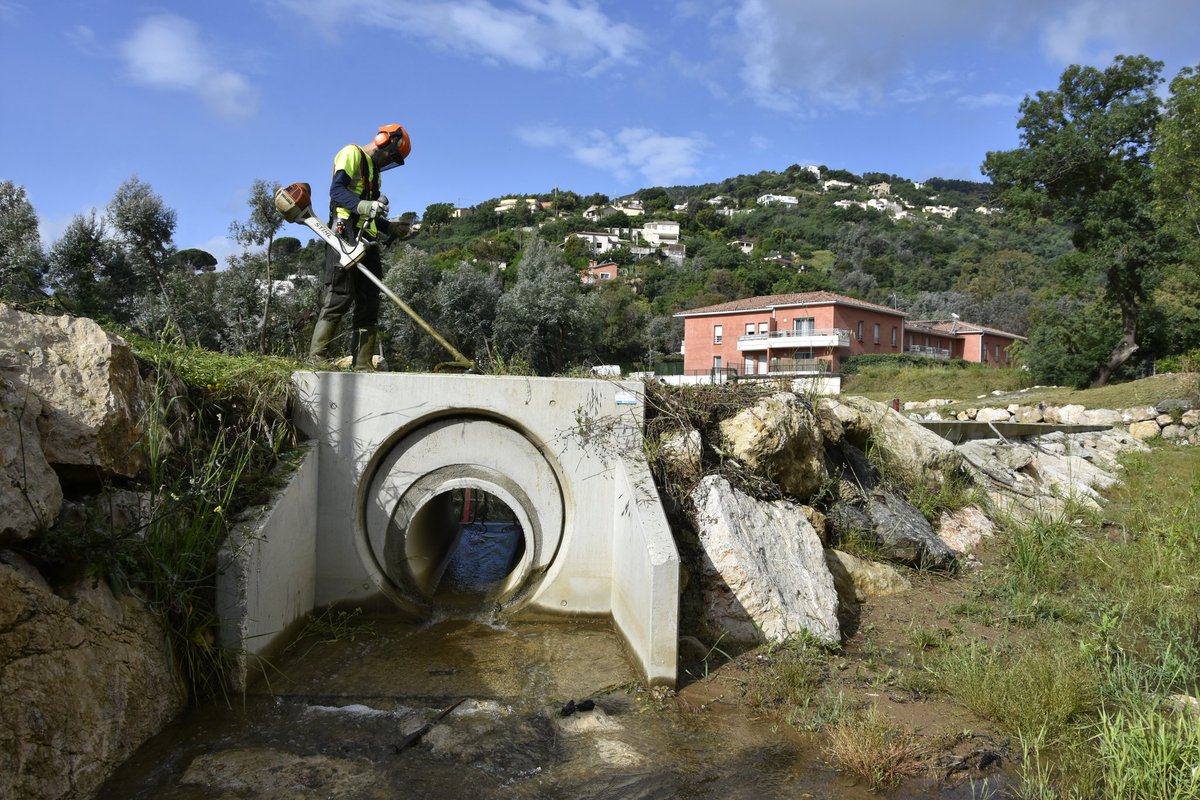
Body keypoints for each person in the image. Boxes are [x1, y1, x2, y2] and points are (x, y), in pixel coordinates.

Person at [308, 123, 412, 369]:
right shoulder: (351, 153)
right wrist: (365, 206)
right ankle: (317, 359)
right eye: (391, 154)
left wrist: (391, 228)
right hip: (344, 235)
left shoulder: (376, 174)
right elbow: (337, 192)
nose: (388, 160)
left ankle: (362, 364)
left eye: (393, 159)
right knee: (340, 296)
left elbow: (372, 215)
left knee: (369, 302)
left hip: (368, 241)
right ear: (382, 140)